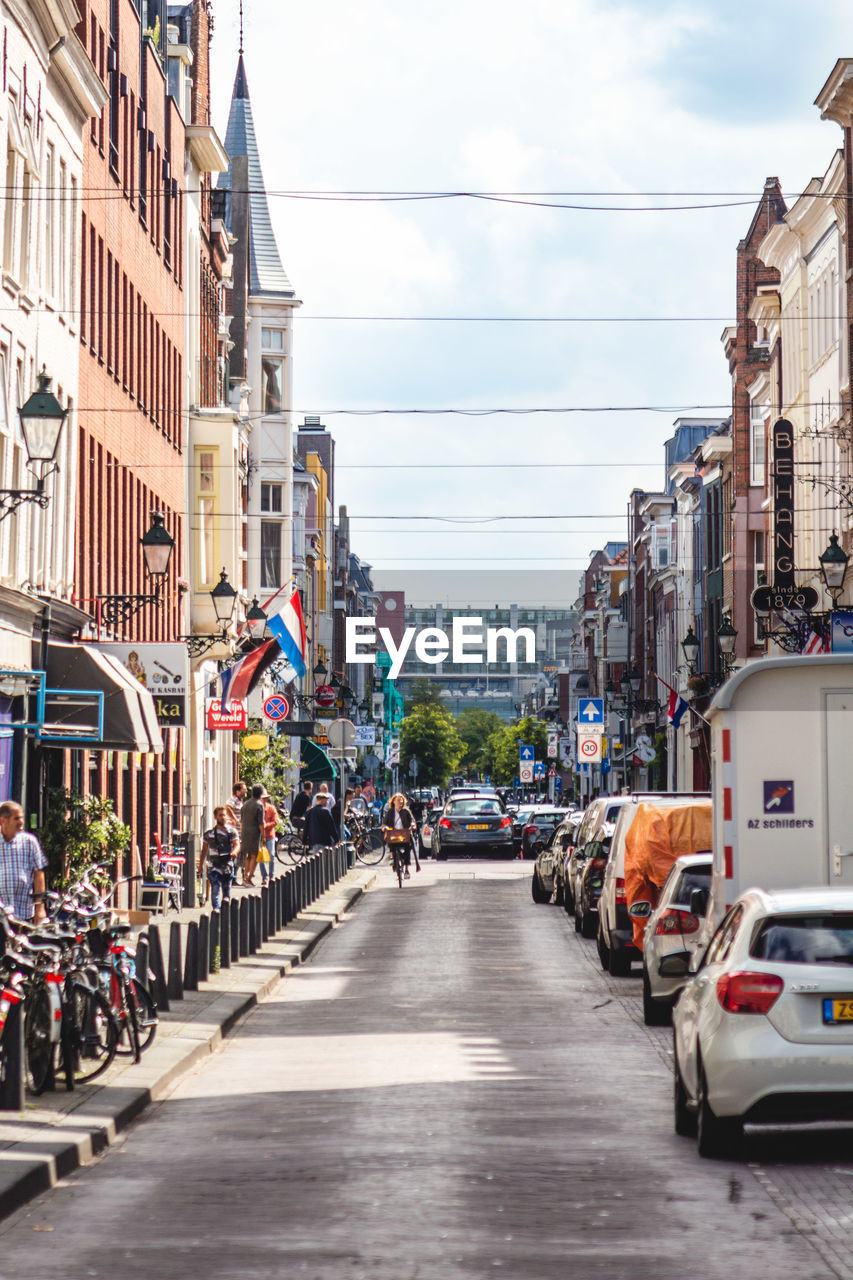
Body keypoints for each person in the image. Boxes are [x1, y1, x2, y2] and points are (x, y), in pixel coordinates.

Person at [0, 800, 48, 922]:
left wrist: (40, 907)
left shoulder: (29, 842)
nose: (21, 822)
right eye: (16, 818)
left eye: (21, 818)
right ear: (3, 820)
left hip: (23, 912)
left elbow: (39, 875)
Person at [198, 807, 240, 912]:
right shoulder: (209, 834)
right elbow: (204, 850)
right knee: (215, 889)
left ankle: (225, 912)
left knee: (226, 890)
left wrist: (234, 852)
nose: (223, 817)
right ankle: (216, 910)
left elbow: (237, 844)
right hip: (214, 866)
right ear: (215, 817)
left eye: (224, 815)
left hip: (227, 865)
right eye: (220, 815)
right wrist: (201, 865)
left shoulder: (232, 831)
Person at [382, 793, 418, 878]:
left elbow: (412, 820)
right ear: (394, 801)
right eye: (398, 800)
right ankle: (393, 860)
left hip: (404, 835)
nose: (400, 801)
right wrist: (385, 827)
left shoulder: (406, 811)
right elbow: (384, 823)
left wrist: (413, 825)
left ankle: (406, 869)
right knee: (391, 847)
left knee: (407, 848)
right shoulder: (390, 812)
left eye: (401, 800)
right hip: (393, 835)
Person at [240, 784, 265, 886]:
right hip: (254, 832)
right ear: (261, 793)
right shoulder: (259, 805)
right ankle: (249, 877)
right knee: (255, 855)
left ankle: (245, 875)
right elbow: (260, 822)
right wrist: (264, 835)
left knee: (248, 855)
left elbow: (241, 820)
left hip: (245, 832)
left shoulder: (245, 804)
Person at [259, 790, 278, 883]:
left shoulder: (271, 808)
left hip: (269, 835)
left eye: (265, 798)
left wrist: (266, 826)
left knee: (271, 855)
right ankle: (264, 876)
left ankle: (271, 875)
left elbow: (276, 821)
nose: (264, 800)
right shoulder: (257, 809)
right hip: (259, 836)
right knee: (261, 856)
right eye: (262, 798)